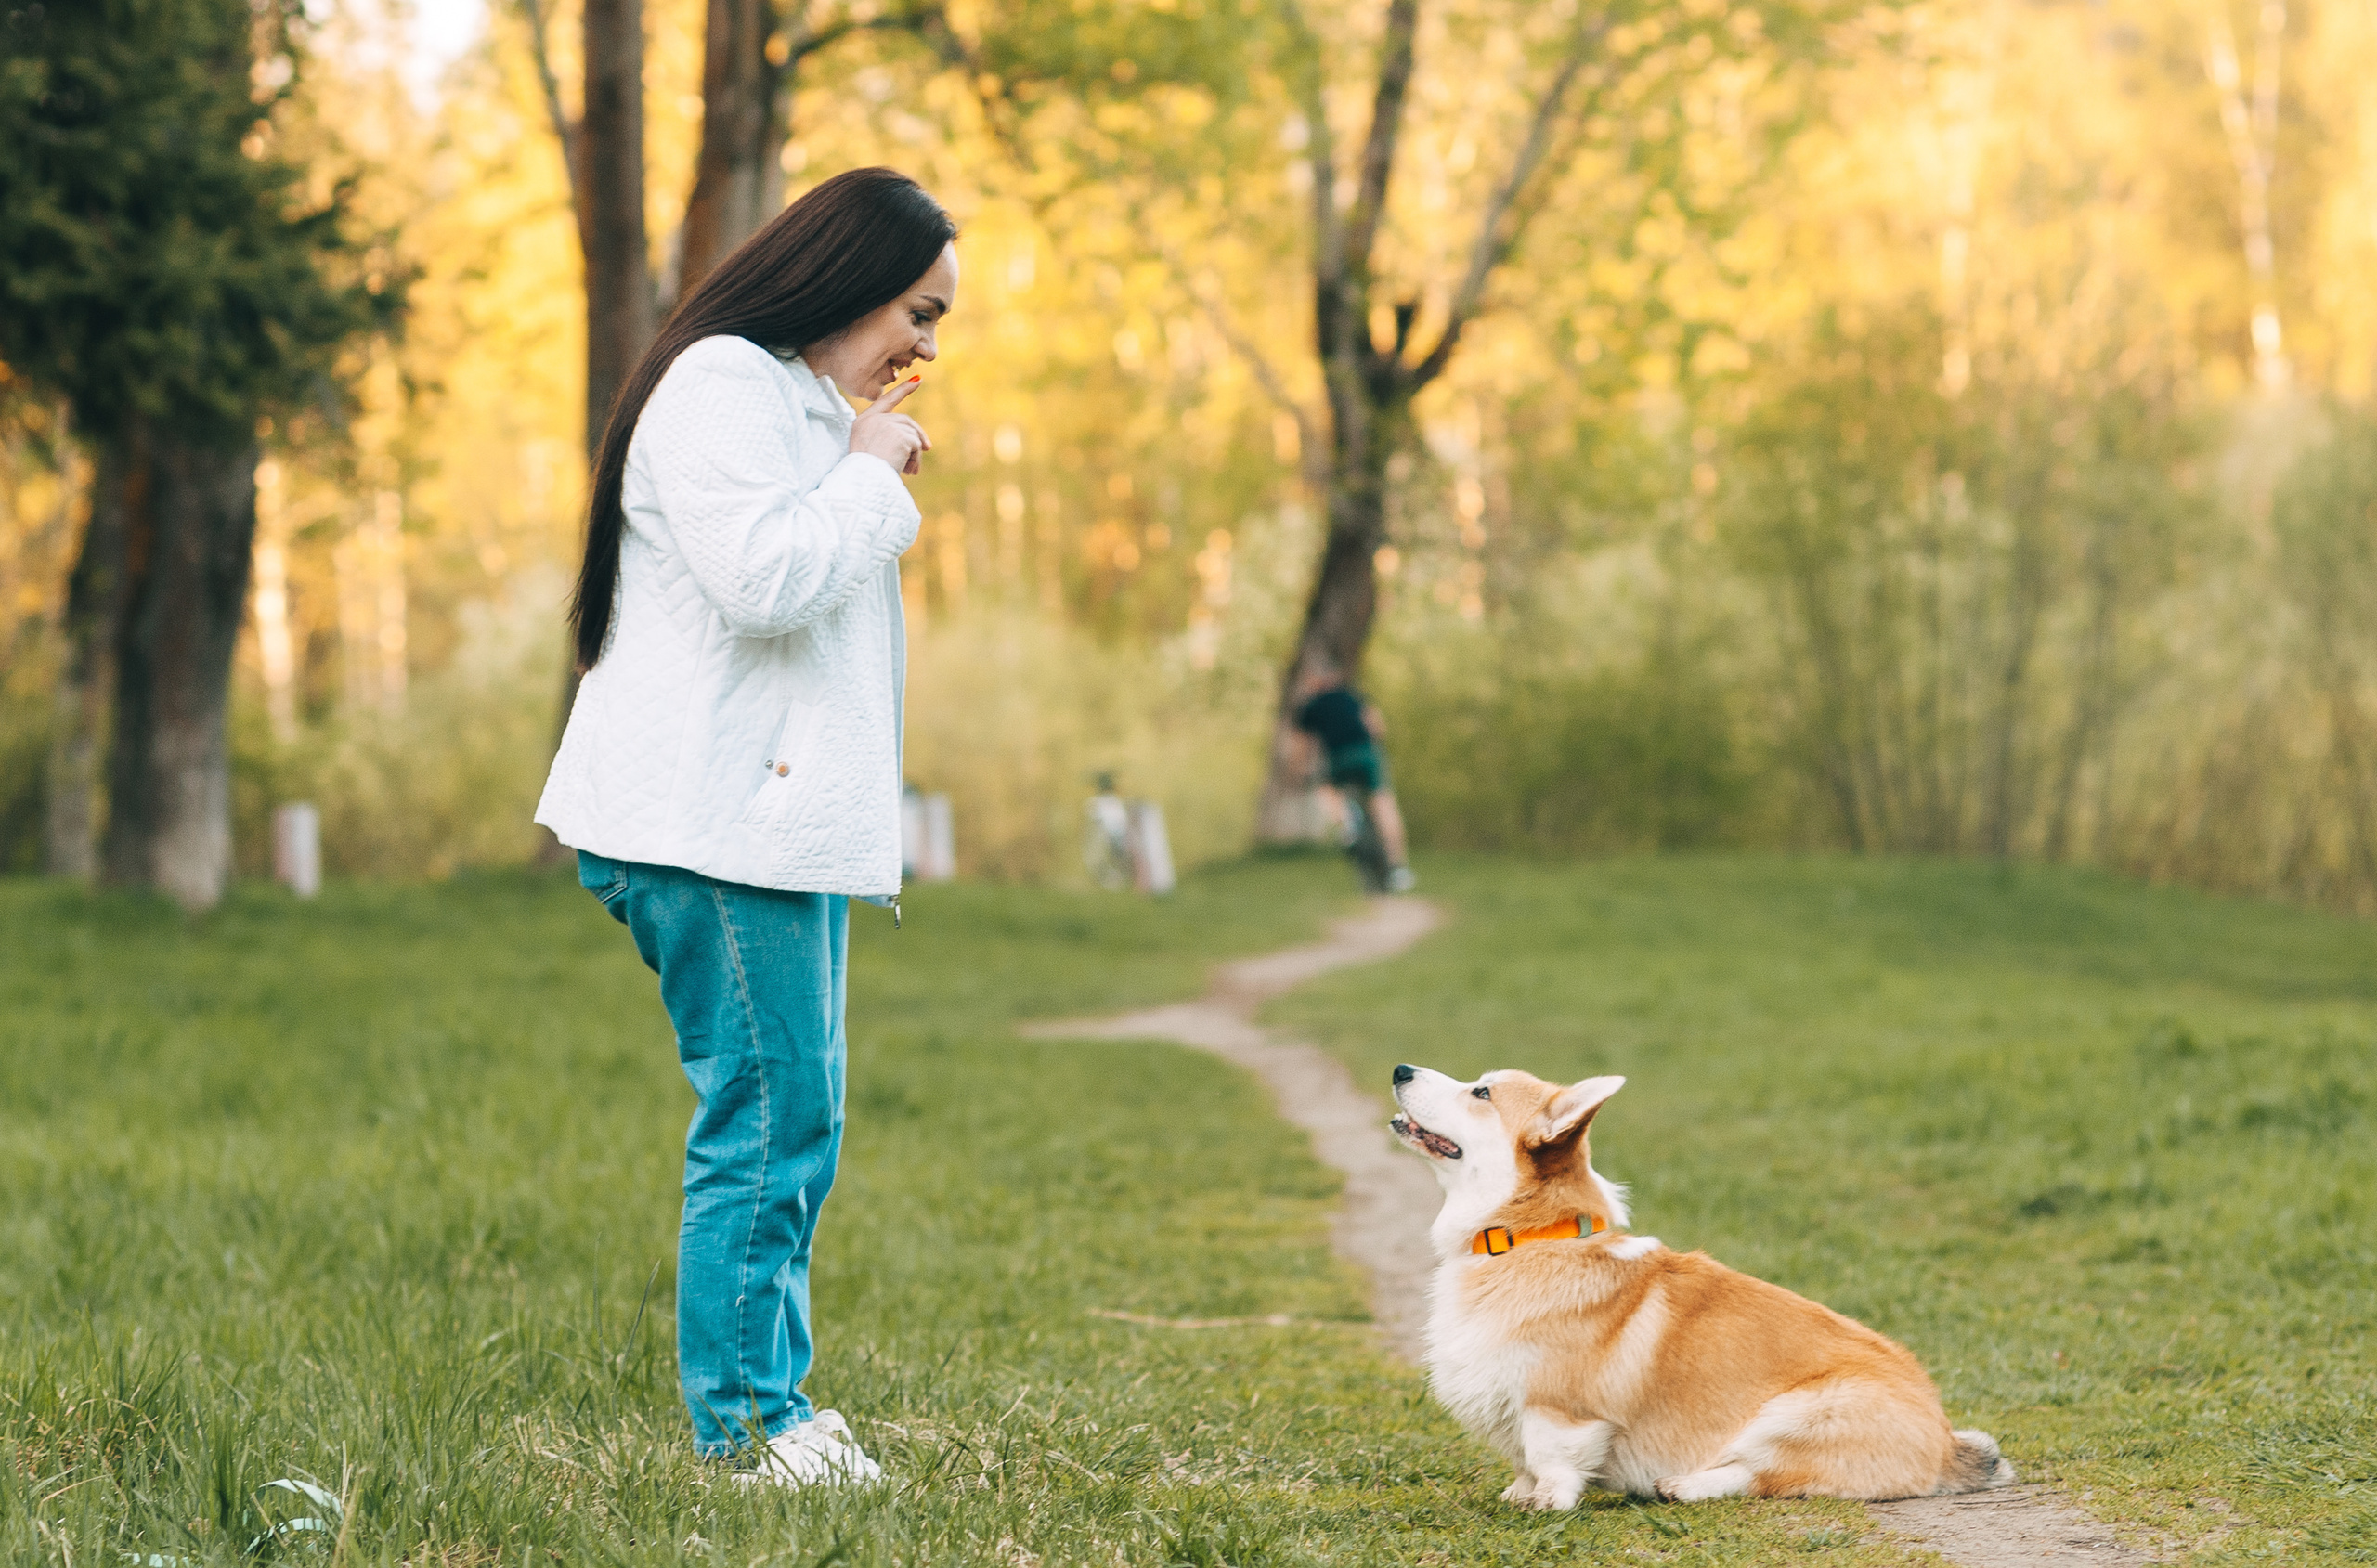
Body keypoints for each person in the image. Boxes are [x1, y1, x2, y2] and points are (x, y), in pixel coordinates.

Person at [534, 167, 957, 1488]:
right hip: (710, 826)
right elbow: (766, 581)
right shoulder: (720, 382)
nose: (927, 349)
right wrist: (875, 472)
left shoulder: (787, 398)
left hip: (764, 826)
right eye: (919, 310)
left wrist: (853, 459)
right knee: (770, 1120)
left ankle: (781, 1402)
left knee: (795, 1117)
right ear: (846, 275)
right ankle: (748, 1427)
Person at [1291, 663, 1416, 892]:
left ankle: (1347, 823)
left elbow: (1303, 747)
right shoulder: (1353, 697)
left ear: (1313, 681)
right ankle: (1399, 868)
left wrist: (1301, 771)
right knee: (1383, 802)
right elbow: (1377, 727)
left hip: (1338, 758)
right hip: (1366, 754)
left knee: (1325, 788)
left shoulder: (1311, 707)